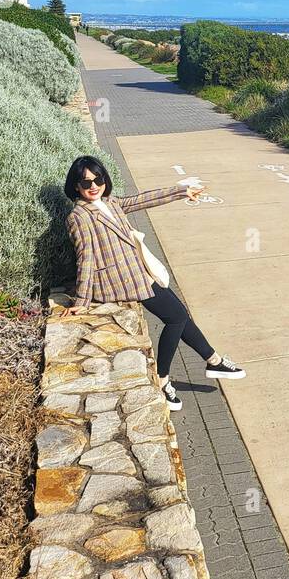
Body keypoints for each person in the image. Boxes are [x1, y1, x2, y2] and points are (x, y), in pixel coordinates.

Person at [60, 155, 244, 408]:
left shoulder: (110, 203)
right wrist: (82, 300)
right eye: (85, 182)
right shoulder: (79, 216)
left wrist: (181, 192)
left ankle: (214, 361)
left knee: (180, 315)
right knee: (176, 317)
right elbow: (86, 257)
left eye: (98, 179)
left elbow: (142, 199)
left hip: (136, 272)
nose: (93, 186)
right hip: (117, 280)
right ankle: (163, 379)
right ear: (76, 186)